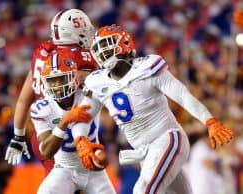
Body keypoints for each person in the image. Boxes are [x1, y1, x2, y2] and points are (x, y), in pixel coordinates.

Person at [70, 24, 234, 194]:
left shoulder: (148, 67)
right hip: (143, 151)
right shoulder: (96, 81)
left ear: (124, 43)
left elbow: (182, 95)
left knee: (143, 190)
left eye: (107, 45)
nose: (102, 52)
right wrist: (80, 140)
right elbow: (83, 114)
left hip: (167, 138)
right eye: (98, 48)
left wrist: (209, 120)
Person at [4, 9, 97, 174]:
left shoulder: (44, 55)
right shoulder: (78, 57)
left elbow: (23, 100)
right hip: (66, 132)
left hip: (42, 132)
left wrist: (18, 135)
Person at [30, 51, 116, 194]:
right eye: (52, 81)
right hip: (64, 168)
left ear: (73, 76)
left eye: (61, 79)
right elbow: (46, 151)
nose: (57, 85)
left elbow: (105, 79)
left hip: (92, 167)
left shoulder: (88, 92)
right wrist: (64, 122)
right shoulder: (42, 108)